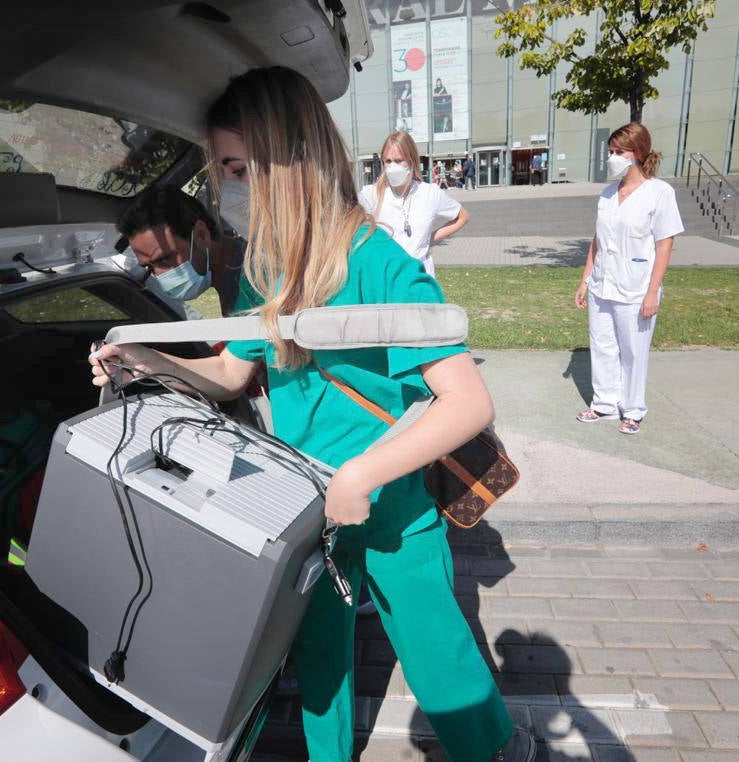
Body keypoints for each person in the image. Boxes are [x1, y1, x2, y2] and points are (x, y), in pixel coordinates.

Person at [89, 66, 532, 762]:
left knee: (439, 661)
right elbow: (232, 372)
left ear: (289, 156)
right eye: (222, 171)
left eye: (236, 167)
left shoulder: (383, 264)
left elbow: (468, 403)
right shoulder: (264, 266)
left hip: (392, 509)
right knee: (319, 665)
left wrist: (360, 475)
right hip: (304, 510)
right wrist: (149, 362)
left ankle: (494, 752)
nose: (226, 189)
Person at [574, 122, 684, 435]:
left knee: (633, 352)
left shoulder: (659, 193)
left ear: (637, 153)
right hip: (602, 285)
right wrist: (585, 280)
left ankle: (633, 410)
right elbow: (597, 241)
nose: (612, 157)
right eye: (610, 151)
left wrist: (653, 292)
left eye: (618, 151)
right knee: (603, 346)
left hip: (636, 288)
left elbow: (665, 244)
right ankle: (605, 404)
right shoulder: (607, 194)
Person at [118, 185, 246, 315]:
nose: (160, 275)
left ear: (201, 235)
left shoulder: (256, 282)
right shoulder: (232, 280)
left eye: (163, 259)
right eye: (150, 268)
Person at [358, 131, 470, 276]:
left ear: (411, 162)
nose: (392, 167)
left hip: (419, 280)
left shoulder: (430, 193)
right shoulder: (372, 194)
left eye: (398, 161)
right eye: (388, 161)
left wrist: (429, 239)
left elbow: (463, 217)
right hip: (387, 281)